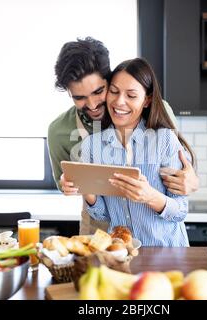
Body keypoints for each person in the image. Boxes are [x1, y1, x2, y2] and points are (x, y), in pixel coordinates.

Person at [48, 37, 199, 235]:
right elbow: (70, 187)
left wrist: (192, 181)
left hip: (155, 232)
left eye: (99, 91)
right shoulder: (59, 131)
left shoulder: (155, 114)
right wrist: (70, 184)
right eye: (80, 97)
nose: (92, 104)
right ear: (69, 93)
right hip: (99, 230)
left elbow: (181, 175)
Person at [79, 58, 195, 246]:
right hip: (122, 253)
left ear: (147, 100)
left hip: (166, 254)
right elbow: (102, 214)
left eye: (131, 95)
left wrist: (150, 195)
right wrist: (86, 189)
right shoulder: (92, 146)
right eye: (114, 92)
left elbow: (180, 211)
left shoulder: (164, 140)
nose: (119, 101)